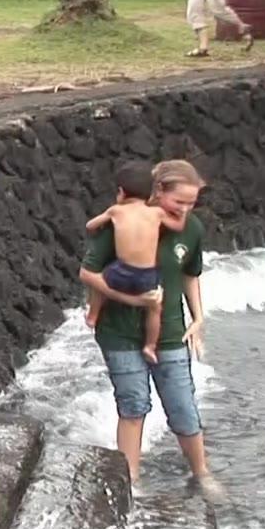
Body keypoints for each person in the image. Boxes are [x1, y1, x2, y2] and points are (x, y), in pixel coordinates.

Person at [79, 160, 219, 496]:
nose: (185, 210)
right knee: (133, 405)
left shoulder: (192, 229)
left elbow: (190, 274)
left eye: (192, 203)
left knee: (183, 406)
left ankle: (202, 475)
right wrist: (132, 302)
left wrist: (198, 317)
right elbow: (90, 274)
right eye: (179, 202)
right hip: (120, 332)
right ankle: (131, 482)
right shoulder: (122, 219)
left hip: (170, 332)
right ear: (158, 191)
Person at [84, 162, 185, 365]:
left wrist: (102, 225)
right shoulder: (156, 213)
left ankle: (93, 315)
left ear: (121, 193)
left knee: (100, 282)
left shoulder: (116, 211)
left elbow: (90, 225)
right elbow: (177, 226)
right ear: (151, 195)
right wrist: (181, 212)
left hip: (122, 271)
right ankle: (150, 346)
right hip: (147, 275)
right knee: (155, 307)